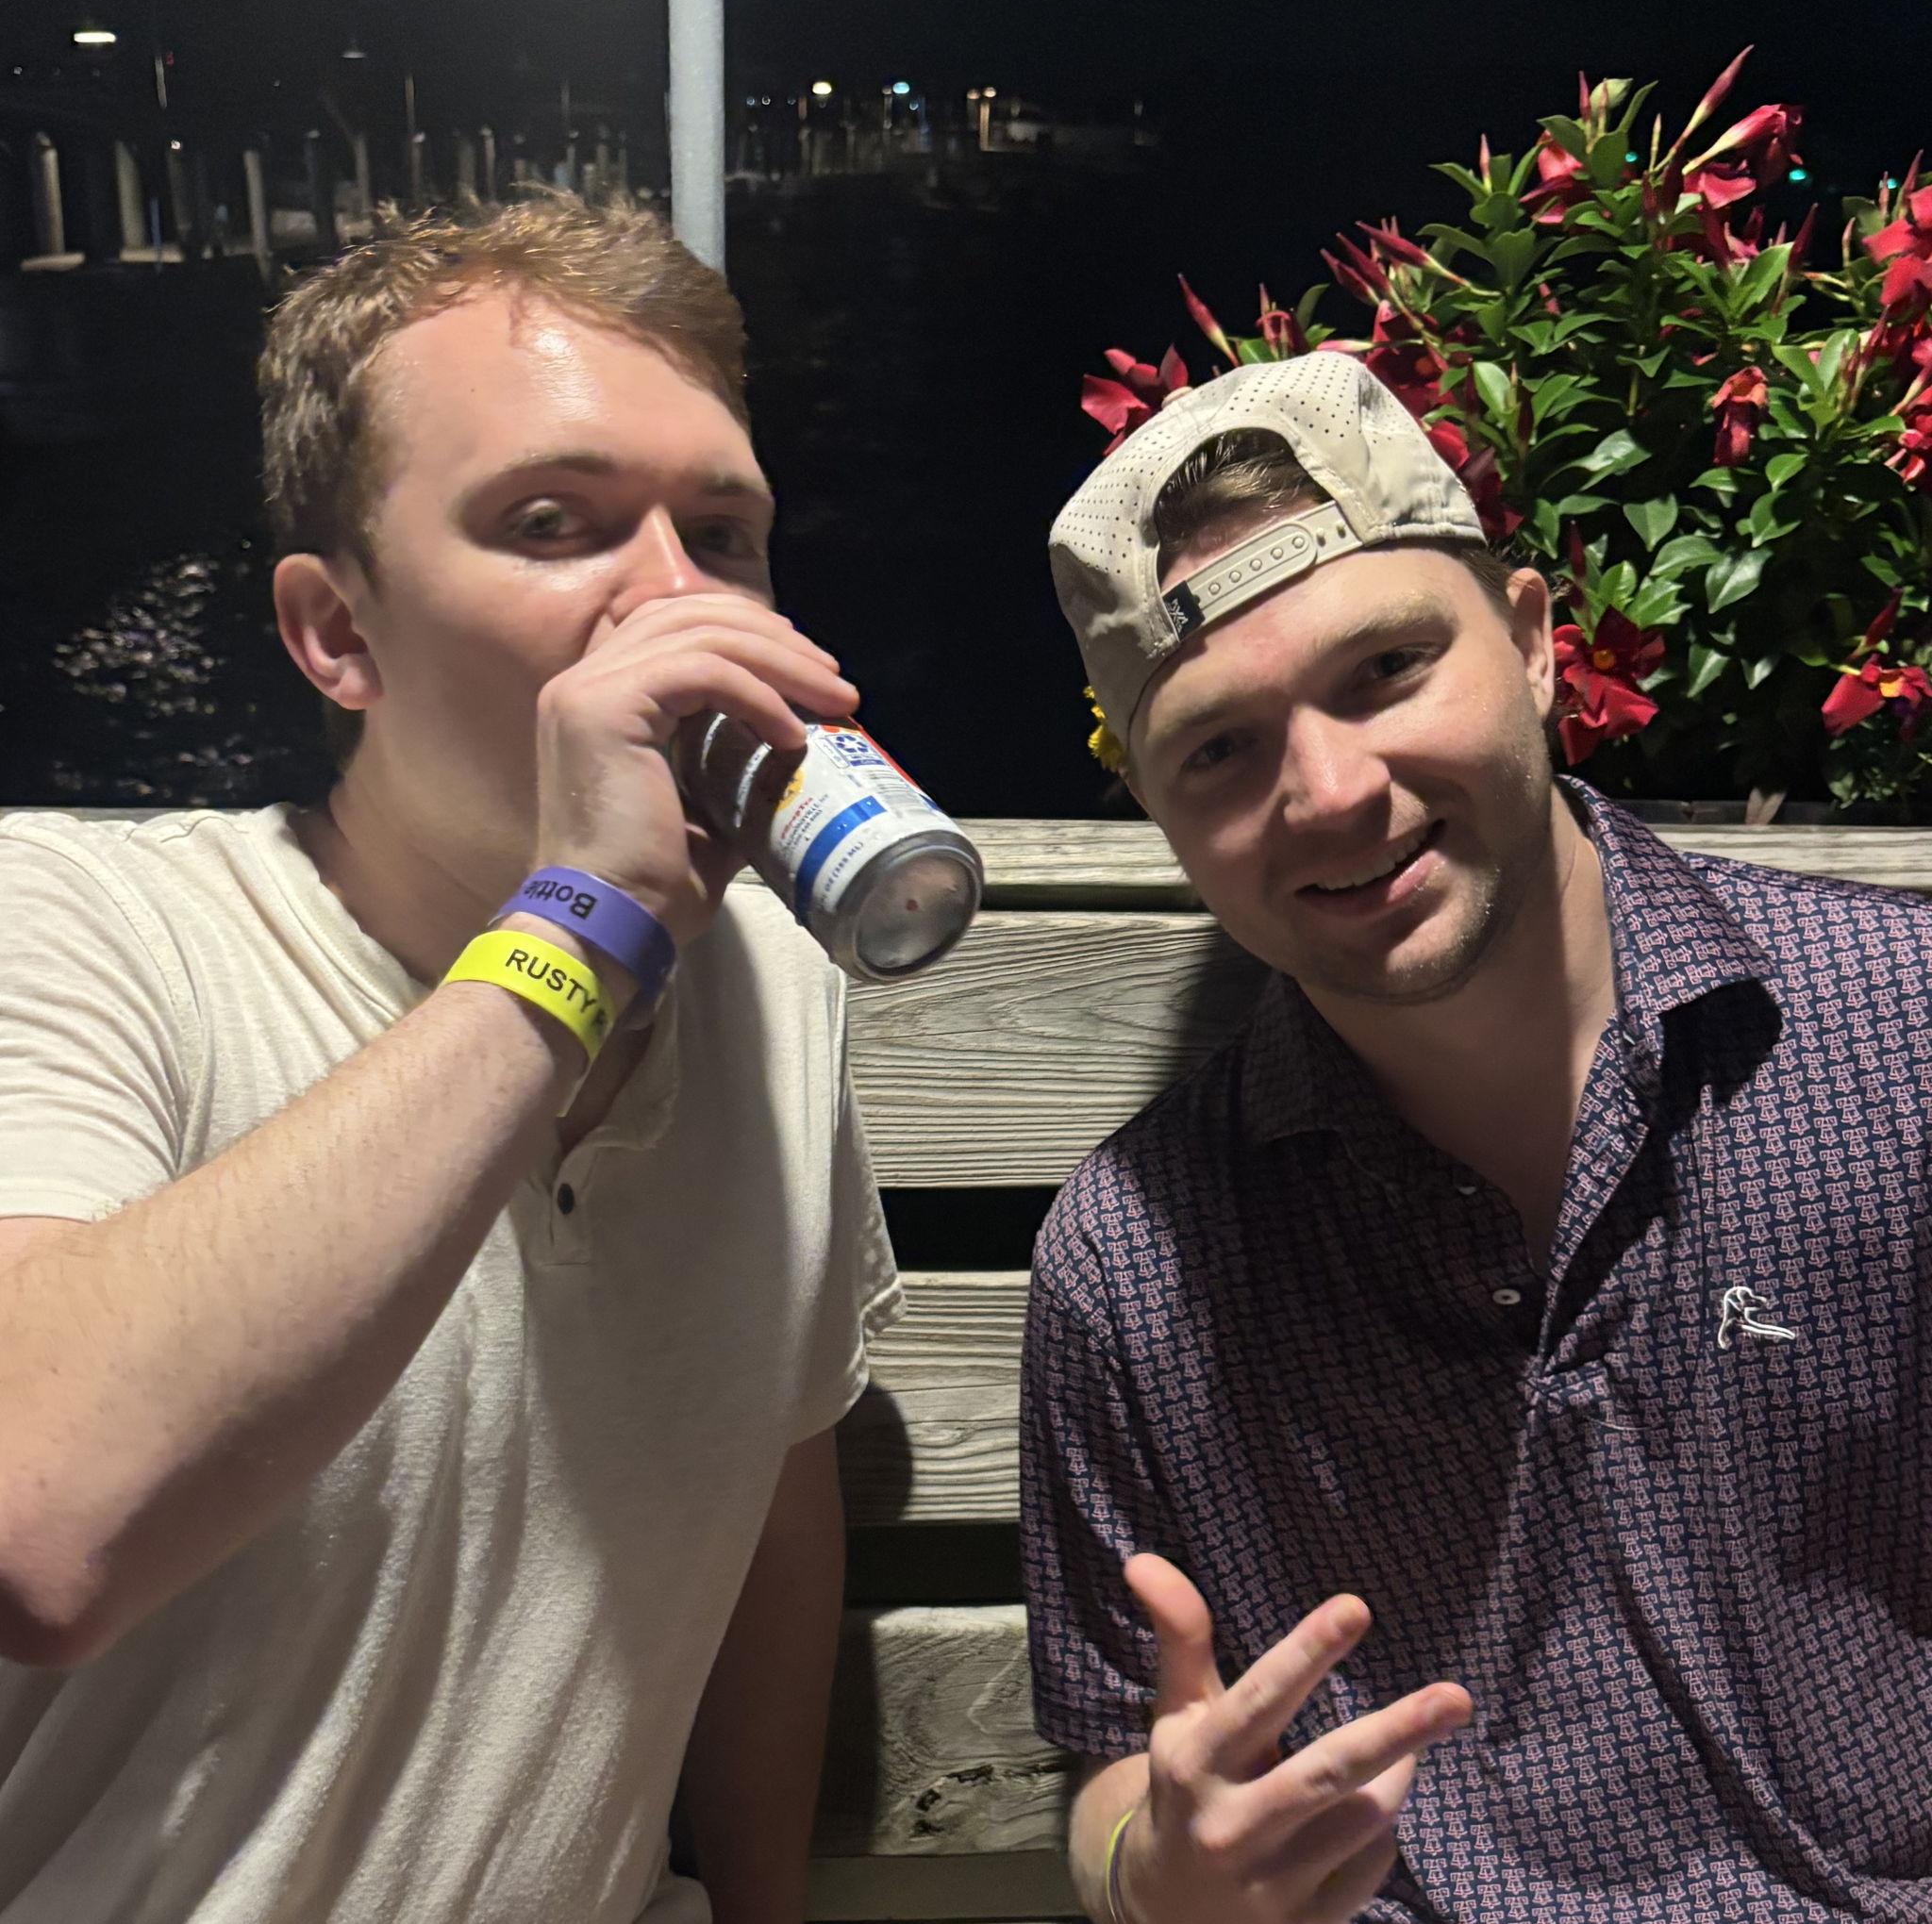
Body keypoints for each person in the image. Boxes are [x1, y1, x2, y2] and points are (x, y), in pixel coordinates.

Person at [0, 193, 900, 1924]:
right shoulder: (87, 928)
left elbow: (774, 1514)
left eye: (722, 534)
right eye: (553, 524)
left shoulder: (771, 993)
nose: (673, 598)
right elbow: (44, 1532)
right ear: (336, 633)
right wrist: (584, 923)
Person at [1021, 351, 1932, 1923]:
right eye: (1221, 749)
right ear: (1165, 818)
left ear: (1529, 642)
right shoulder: (1133, 1265)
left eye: (1385, 668)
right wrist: (1155, 1876)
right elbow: (1118, 1764)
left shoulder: (1900, 1041)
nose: (1329, 791)